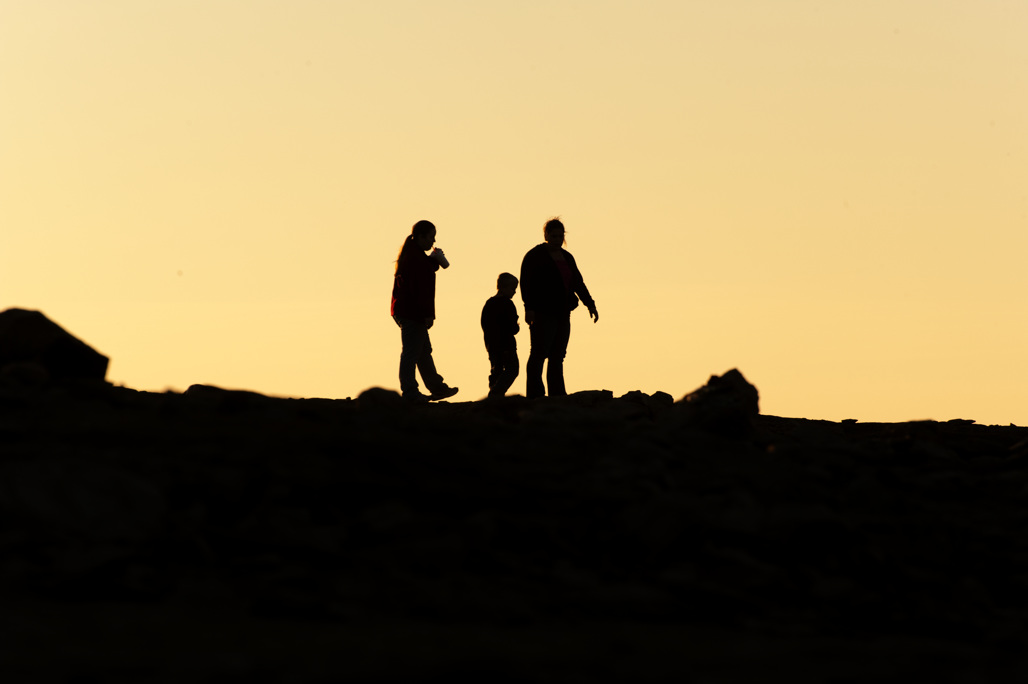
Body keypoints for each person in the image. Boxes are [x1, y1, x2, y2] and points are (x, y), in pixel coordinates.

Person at [519, 217, 598, 399]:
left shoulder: (567, 257)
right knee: (539, 353)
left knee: (558, 355)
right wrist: (528, 308)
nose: (557, 239)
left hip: (563, 311)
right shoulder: (534, 256)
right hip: (542, 312)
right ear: (546, 235)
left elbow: (578, 282)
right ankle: (535, 394)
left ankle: (557, 393)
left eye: (560, 236)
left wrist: (590, 304)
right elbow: (526, 283)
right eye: (553, 236)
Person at [390, 220, 459, 402]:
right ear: (420, 237)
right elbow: (420, 290)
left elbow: (422, 275)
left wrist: (432, 261)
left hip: (407, 311)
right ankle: (410, 391)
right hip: (412, 312)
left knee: (422, 350)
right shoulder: (415, 258)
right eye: (430, 237)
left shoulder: (414, 255)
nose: (432, 241)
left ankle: (436, 387)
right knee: (413, 351)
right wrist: (428, 314)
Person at [481, 272, 520, 398]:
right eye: (513, 289)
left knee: (496, 369)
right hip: (506, 344)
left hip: (492, 345)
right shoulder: (508, 304)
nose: (514, 292)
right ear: (503, 288)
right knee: (512, 369)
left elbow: (484, 324)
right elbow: (513, 328)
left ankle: (494, 391)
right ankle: (496, 392)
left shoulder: (489, 304)